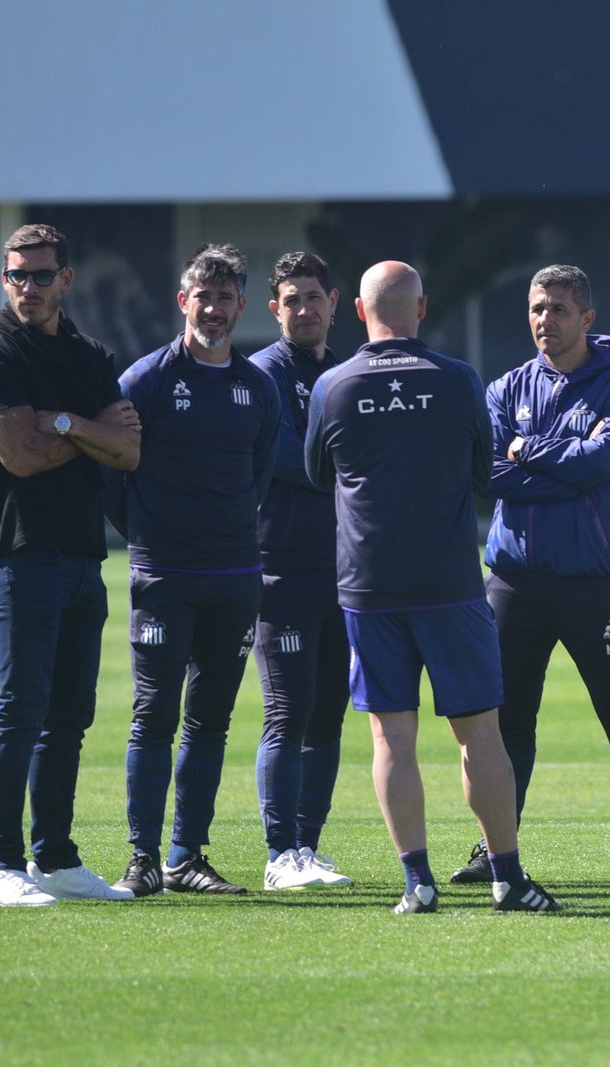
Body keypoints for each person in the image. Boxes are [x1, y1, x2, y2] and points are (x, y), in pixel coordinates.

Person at [304, 261, 561, 914]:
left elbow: (316, 472)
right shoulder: (458, 379)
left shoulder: (333, 384)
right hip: (450, 583)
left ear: (358, 311)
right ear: (421, 308)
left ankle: (417, 883)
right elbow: (484, 470)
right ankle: (508, 878)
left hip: (369, 585)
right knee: (481, 734)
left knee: (391, 738)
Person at [449, 264, 610, 888]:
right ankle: (495, 853)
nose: (545, 320)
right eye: (537, 308)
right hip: (514, 581)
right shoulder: (505, 388)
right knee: (505, 724)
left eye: (559, 309)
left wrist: (527, 450)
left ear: (588, 318)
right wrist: (559, 468)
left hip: (595, 579)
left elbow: (602, 461)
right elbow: (488, 473)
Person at [0, 224, 142, 906]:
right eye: (16, 275)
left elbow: (129, 451)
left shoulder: (89, 353)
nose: (27, 287)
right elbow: (20, 457)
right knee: (21, 710)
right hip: (21, 553)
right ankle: (0, 865)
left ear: (66, 279)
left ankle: (56, 858)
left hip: (83, 555)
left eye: (40, 275)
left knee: (69, 716)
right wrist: (90, 432)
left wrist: (60, 422)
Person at [110, 244, 281, 897]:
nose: (212, 308)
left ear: (241, 306)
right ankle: (142, 857)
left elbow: (258, 475)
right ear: (183, 301)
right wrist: (148, 536)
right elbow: (111, 472)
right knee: (154, 714)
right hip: (164, 575)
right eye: (202, 297)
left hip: (235, 576)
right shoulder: (146, 379)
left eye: (224, 298)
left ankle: (186, 856)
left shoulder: (257, 388)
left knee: (210, 719)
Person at [248, 252, 352, 890]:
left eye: (314, 297)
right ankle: (279, 852)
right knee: (286, 711)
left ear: (333, 303)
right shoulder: (263, 376)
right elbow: (295, 461)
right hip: (282, 569)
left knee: (328, 714)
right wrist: (360, 469)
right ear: (275, 309)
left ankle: (307, 847)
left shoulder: (345, 372)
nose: (304, 309)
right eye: (292, 300)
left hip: (344, 570)